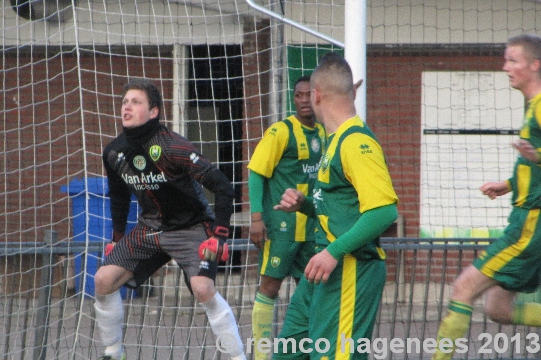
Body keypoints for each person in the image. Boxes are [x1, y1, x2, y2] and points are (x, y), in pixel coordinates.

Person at [95, 80, 246, 360]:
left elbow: (223, 186)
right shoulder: (114, 152)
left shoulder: (172, 146)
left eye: (136, 101)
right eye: (125, 101)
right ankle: (113, 353)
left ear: (154, 112)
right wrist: (116, 238)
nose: (127, 106)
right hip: (149, 228)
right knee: (103, 280)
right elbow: (118, 197)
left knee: (203, 289)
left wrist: (220, 236)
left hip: (191, 228)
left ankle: (238, 356)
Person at [272, 53, 399, 359]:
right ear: (353, 91)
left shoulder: (356, 142)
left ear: (315, 95)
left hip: (349, 270)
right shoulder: (334, 141)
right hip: (320, 273)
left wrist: (333, 252)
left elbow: (384, 212)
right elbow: (341, 210)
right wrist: (304, 205)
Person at [432, 34, 541, 360]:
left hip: (530, 223)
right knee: (498, 308)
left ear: (535, 65)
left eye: (512, 60)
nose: (505, 67)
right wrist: (509, 183)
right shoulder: (531, 105)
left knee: (463, 288)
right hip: (525, 217)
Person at [247, 76, 325, 360]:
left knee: (311, 292)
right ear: (294, 99)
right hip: (281, 228)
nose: (304, 100)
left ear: (318, 97)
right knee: (269, 287)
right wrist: (256, 219)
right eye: (298, 95)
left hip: (313, 229)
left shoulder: (326, 133)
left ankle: (303, 352)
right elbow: (256, 173)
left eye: (308, 95)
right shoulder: (279, 132)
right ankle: (262, 355)